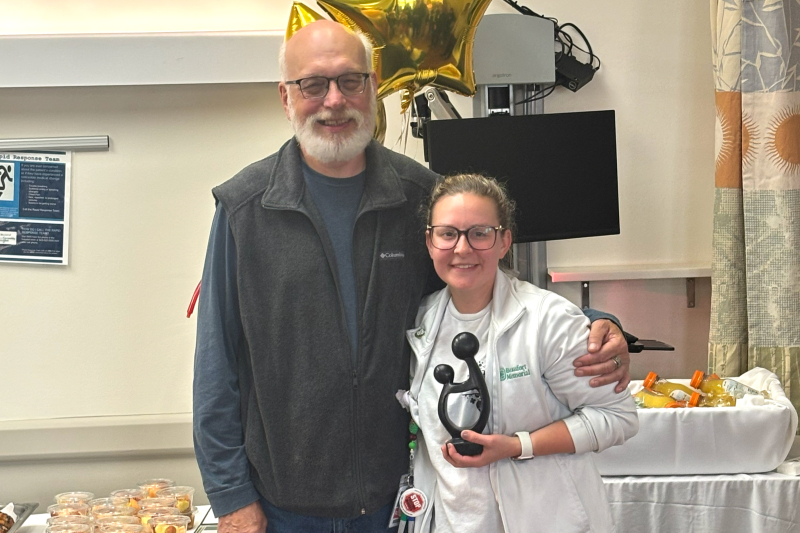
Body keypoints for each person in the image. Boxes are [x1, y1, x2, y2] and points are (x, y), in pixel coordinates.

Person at [192, 20, 631, 533]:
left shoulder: (417, 194)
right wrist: (229, 495)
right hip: (281, 502)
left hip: (396, 499)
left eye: (350, 81)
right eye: (313, 84)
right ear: (286, 97)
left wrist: (597, 322)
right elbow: (216, 360)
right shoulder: (245, 208)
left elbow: (486, 285)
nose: (334, 100)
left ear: (373, 87)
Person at [401, 174, 639, 533]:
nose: (462, 249)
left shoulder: (548, 320)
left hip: (545, 519)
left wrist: (517, 446)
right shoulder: (420, 321)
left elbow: (617, 417)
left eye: (480, 233)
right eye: (448, 234)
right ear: (430, 242)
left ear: (504, 241)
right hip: (453, 521)